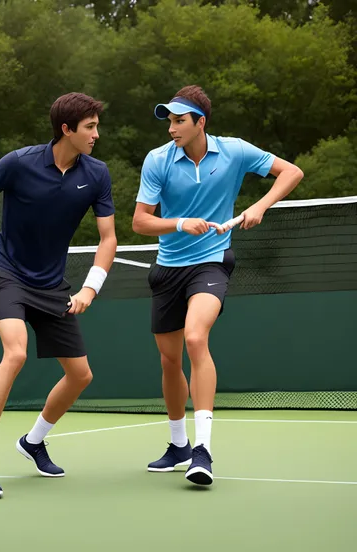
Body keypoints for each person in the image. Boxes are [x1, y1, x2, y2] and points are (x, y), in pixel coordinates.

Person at [132, 85, 304, 486]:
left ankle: (202, 451)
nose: (171, 128)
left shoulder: (235, 151)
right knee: (169, 360)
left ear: (200, 122)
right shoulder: (157, 160)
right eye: (169, 121)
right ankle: (178, 444)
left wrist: (260, 205)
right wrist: (179, 223)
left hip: (211, 261)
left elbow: (291, 172)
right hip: (168, 266)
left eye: (179, 121)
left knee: (196, 338)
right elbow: (140, 222)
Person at [0, 92, 118, 498]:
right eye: (90, 127)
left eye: (97, 126)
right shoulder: (19, 162)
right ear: (66, 130)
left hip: (52, 285)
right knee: (15, 353)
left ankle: (32, 441)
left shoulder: (97, 174)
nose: (96, 134)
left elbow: (108, 237)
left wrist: (90, 287)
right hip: (7, 272)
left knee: (81, 375)